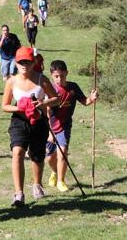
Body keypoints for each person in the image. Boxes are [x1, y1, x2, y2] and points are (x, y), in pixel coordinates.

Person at [1, 47, 58, 207]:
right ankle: (19, 194)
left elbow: (56, 99)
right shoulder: (11, 81)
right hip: (19, 121)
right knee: (17, 152)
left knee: (37, 155)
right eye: (21, 62)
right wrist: (19, 107)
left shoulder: (42, 79)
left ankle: (37, 184)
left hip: (39, 121)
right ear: (16, 63)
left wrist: (43, 103)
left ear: (33, 62)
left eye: (27, 61)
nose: (24, 64)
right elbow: (4, 106)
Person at [46, 60, 98, 192]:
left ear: (67, 73)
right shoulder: (49, 89)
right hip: (50, 127)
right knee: (49, 158)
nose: (59, 79)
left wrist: (91, 98)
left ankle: (61, 181)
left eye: (62, 76)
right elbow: (45, 111)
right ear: (51, 75)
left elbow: (84, 101)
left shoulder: (73, 87)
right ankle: (55, 172)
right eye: (56, 76)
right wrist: (50, 132)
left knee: (62, 153)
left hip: (64, 126)